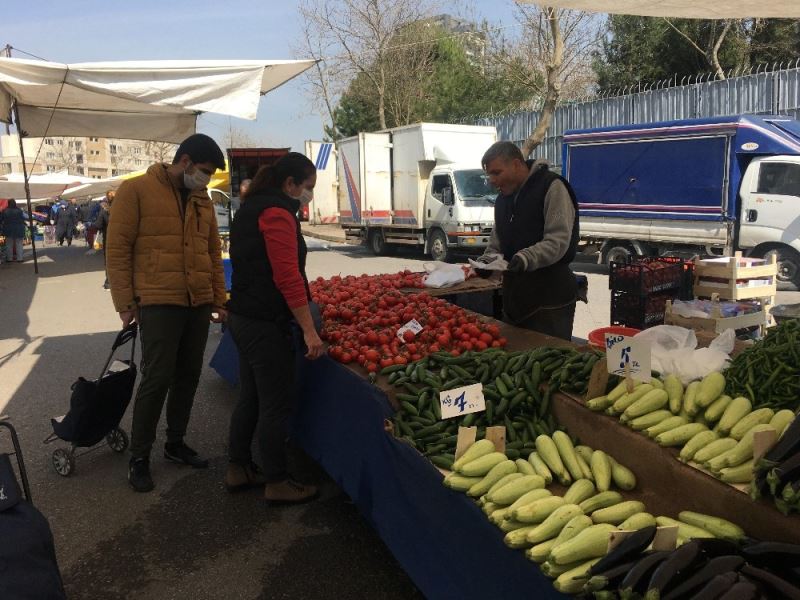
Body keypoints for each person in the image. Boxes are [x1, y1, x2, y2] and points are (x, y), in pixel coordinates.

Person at [106, 133, 228, 493]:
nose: (205, 178)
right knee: (157, 378)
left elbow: (212, 253)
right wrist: (125, 303)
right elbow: (117, 248)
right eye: (204, 170)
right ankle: (140, 456)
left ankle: (175, 443)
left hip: (198, 301)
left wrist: (219, 299)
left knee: (188, 375)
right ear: (186, 161)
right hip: (159, 300)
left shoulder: (202, 199)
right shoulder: (136, 190)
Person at [226, 153, 323, 504]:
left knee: (251, 397)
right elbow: (287, 278)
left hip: (243, 314)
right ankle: (277, 481)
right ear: (290, 185)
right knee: (274, 404)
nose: (309, 195)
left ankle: (238, 468)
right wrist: (310, 331)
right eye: (307, 188)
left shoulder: (252, 207)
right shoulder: (277, 213)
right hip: (264, 322)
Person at [475, 141, 580, 341]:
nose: (492, 180)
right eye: (489, 175)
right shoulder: (502, 201)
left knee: (549, 363)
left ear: (516, 164)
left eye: (497, 173)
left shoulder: (552, 186)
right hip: (515, 302)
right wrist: (486, 263)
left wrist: (524, 258)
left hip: (550, 302)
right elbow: (496, 244)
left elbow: (557, 241)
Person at [93, 192, 113, 289]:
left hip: (109, 241)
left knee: (109, 261)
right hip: (123, 240)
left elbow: (98, 225)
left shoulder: (104, 211)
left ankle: (109, 282)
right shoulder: (122, 209)